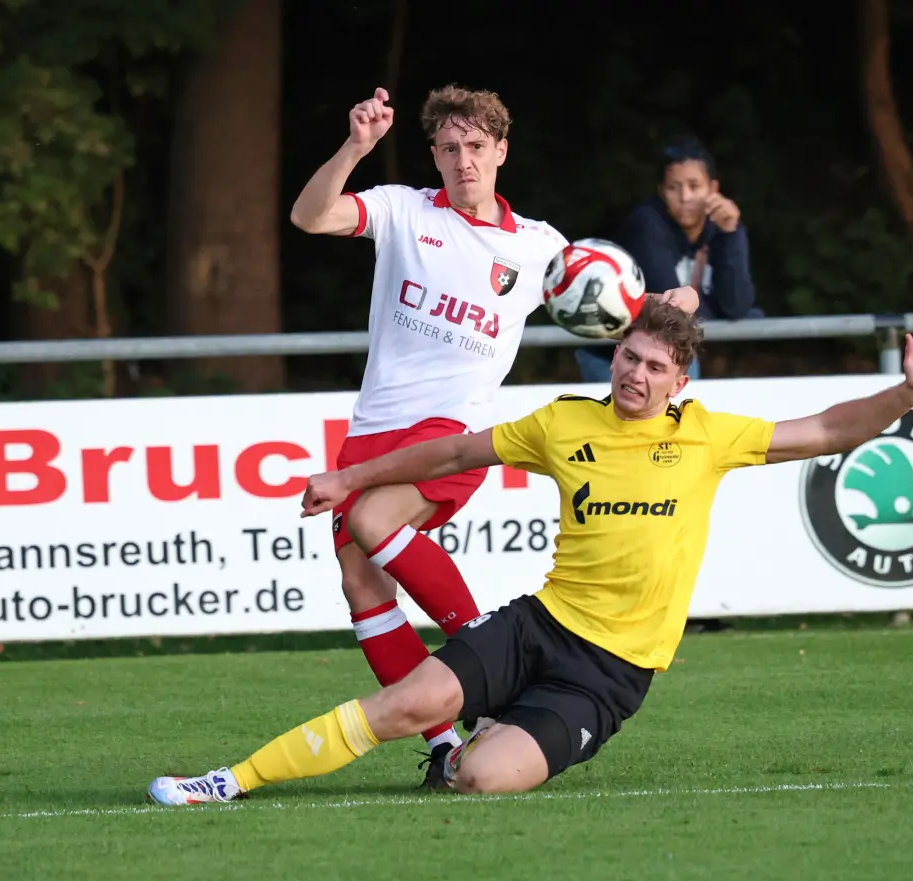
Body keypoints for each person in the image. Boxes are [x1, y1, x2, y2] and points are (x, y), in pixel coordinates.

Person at [147, 305, 913, 804]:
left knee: (478, 780)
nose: (635, 374)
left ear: (679, 382)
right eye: (629, 357)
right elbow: (451, 454)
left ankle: (490, 729)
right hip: (538, 625)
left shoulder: (709, 436)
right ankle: (227, 781)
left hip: (609, 674)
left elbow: (826, 430)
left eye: (655, 367)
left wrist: (908, 392)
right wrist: (350, 477)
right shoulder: (563, 423)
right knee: (404, 708)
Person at [285, 85, 699, 789]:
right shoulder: (402, 210)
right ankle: (445, 743)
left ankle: (498, 660)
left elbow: (617, 301)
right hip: (375, 425)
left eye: (477, 146)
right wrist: (356, 147)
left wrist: (673, 299)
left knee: (372, 518)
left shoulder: (539, 246)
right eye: (449, 148)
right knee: (359, 582)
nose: (464, 160)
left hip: (452, 431)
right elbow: (310, 216)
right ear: (434, 156)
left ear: (501, 151)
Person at [575, 136, 758, 383]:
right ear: (662, 191)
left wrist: (730, 234)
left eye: (694, 186)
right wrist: (711, 309)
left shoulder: (722, 226)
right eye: (674, 187)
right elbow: (669, 312)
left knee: (682, 366)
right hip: (613, 355)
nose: (685, 197)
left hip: (663, 351)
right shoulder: (647, 225)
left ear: (713, 189)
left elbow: (736, 305)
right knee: (681, 364)